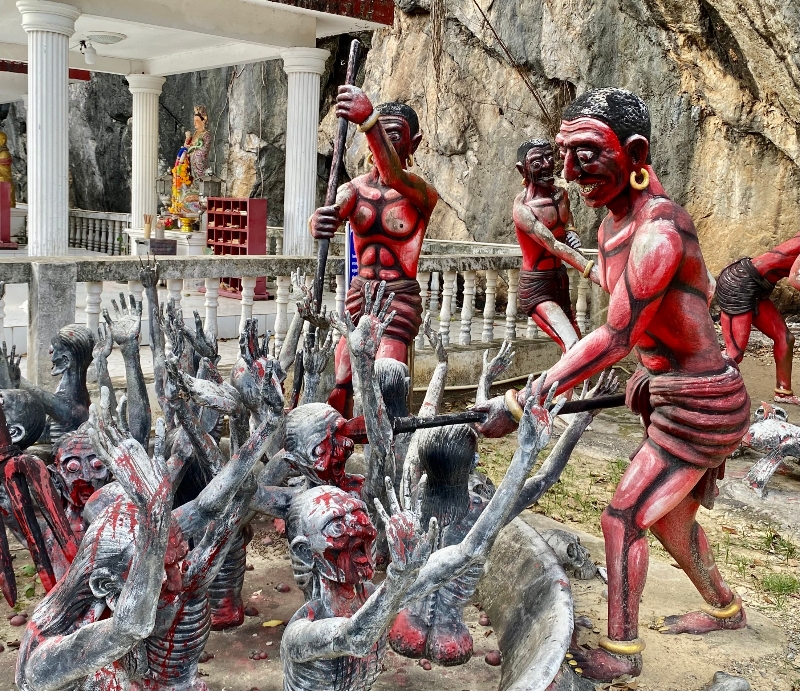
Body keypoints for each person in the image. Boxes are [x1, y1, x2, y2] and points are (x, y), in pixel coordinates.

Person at [476, 88, 750, 682]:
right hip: (675, 393)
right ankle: (727, 609)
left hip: (702, 405)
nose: (570, 174)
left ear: (636, 153)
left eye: (586, 154)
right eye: (563, 154)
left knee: (622, 518)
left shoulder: (660, 231)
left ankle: (622, 653)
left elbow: (618, 333)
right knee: (670, 521)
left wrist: (524, 400)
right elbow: (625, 286)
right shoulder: (614, 224)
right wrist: (557, 250)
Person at [309, 87, 438, 416]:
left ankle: (387, 442)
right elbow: (332, 212)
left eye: (393, 136)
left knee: (385, 380)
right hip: (360, 296)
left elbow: (393, 174)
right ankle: (337, 438)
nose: (384, 143)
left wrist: (369, 120)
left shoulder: (422, 194)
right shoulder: (353, 190)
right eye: (380, 135)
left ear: (413, 143)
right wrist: (318, 221)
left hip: (398, 298)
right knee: (339, 382)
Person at [513, 138, 599, 352]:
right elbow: (552, 244)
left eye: (549, 157)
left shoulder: (561, 194)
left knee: (577, 344)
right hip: (537, 285)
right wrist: (591, 271)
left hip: (559, 279)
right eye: (537, 162)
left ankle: (571, 377)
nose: (546, 165)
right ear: (523, 170)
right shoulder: (523, 209)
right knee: (572, 344)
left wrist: (572, 232)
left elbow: (567, 221)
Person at [716, 235, 800, 404]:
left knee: (785, 339)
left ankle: (783, 393)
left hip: (757, 286)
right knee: (734, 353)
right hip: (740, 282)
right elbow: (795, 278)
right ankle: (701, 381)